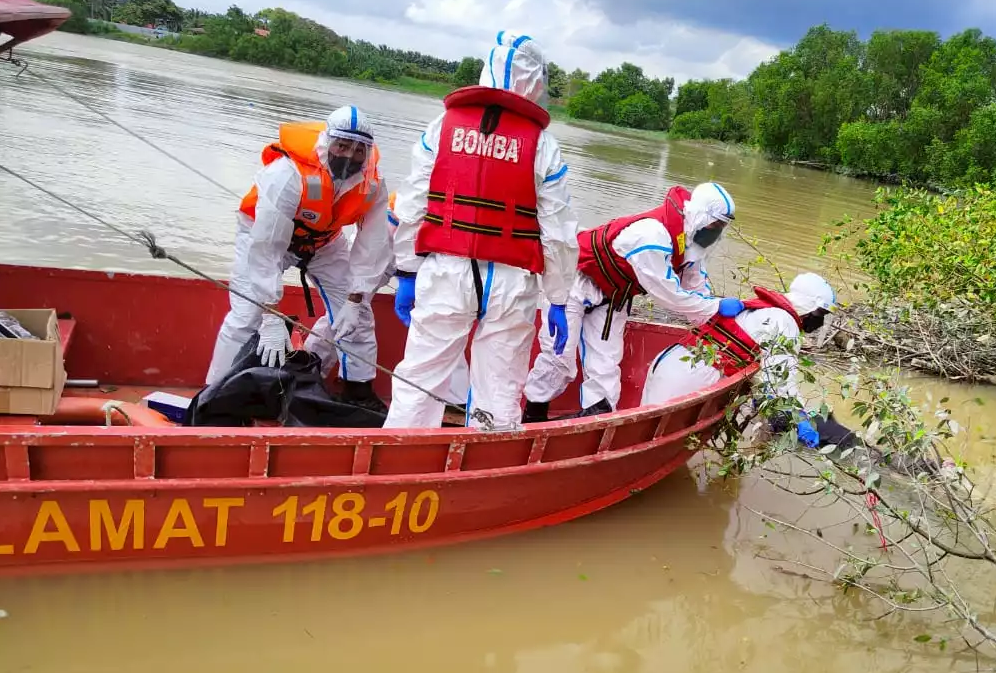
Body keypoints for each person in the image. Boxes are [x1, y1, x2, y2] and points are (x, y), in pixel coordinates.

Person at [382, 30, 578, 430]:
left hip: (445, 272)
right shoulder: (542, 143)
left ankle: (398, 466)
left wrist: (405, 271)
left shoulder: (442, 126)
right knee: (500, 391)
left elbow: (411, 206)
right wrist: (557, 297)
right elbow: (557, 234)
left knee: (418, 382)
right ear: (536, 82)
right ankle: (487, 467)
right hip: (511, 281)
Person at [205, 105, 392, 411]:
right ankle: (214, 393)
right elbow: (267, 248)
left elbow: (372, 245)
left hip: (324, 241)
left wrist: (355, 300)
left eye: (359, 150)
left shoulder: (372, 183)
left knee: (359, 316)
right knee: (245, 316)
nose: (349, 156)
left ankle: (357, 389)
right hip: (263, 235)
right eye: (342, 146)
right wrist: (270, 316)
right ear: (327, 141)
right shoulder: (287, 174)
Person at [522, 182, 742, 421]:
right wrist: (716, 306)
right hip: (573, 283)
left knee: (606, 369)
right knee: (559, 359)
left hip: (614, 296)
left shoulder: (691, 243)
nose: (716, 232)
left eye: (721, 227)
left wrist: (718, 316)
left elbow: (696, 286)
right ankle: (533, 418)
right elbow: (669, 294)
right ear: (700, 215)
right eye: (715, 224)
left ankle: (594, 422)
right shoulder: (651, 236)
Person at [641, 271, 840, 447]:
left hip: (671, 361)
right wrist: (799, 419)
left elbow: (760, 369)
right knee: (653, 441)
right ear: (809, 306)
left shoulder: (762, 309)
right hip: (689, 376)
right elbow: (780, 380)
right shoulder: (784, 322)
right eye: (820, 313)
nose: (820, 321)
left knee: (645, 429)